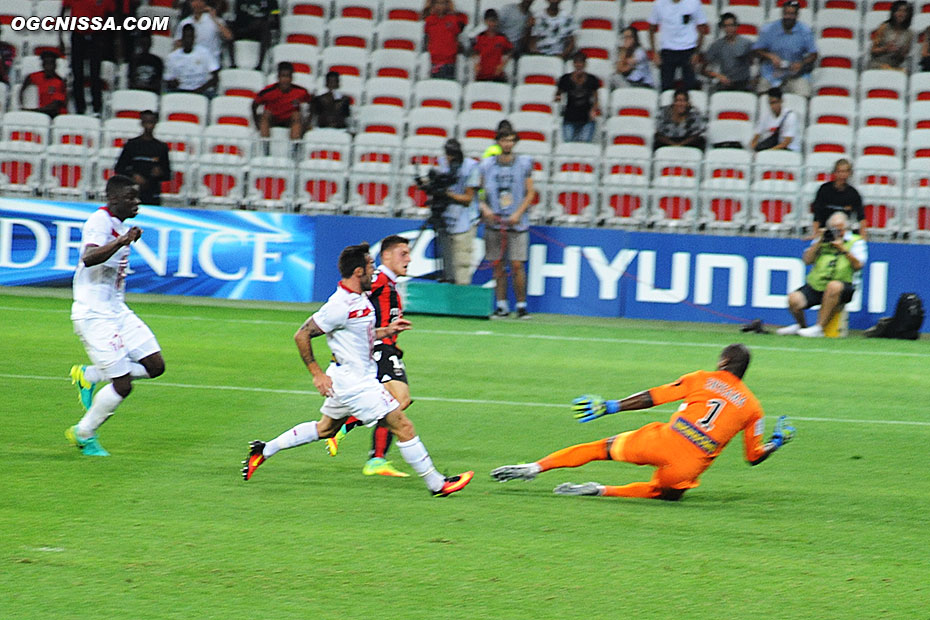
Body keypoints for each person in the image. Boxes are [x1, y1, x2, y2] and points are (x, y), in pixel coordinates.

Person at [241, 242, 474, 498]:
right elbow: (302, 334)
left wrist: (385, 331)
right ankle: (437, 484)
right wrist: (317, 374)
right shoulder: (339, 305)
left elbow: (357, 333)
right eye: (371, 266)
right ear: (358, 272)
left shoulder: (359, 298)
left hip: (347, 379)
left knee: (326, 429)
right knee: (402, 425)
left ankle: (264, 450)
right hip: (356, 384)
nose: (375, 271)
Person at [491, 344, 795, 501]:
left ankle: (535, 468)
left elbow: (654, 397)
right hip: (689, 464)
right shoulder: (754, 408)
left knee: (601, 448)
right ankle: (600, 490)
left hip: (662, 440)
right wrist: (776, 442)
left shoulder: (702, 378)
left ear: (723, 363)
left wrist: (612, 406)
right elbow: (754, 457)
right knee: (663, 494)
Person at [66, 175, 167, 457]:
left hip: (117, 310)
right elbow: (88, 258)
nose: (137, 202)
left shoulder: (118, 224)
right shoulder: (99, 222)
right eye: (131, 198)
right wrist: (123, 241)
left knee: (155, 366)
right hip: (93, 314)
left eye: (137, 197)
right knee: (122, 384)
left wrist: (124, 236)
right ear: (113, 199)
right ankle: (84, 433)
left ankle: (90, 374)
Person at [324, 236, 415, 478]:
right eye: (402, 253)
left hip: (388, 348)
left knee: (399, 400)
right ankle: (373, 456)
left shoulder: (390, 284)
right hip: (378, 348)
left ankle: (350, 435)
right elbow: (351, 296)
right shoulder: (378, 279)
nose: (409, 259)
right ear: (386, 256)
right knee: (396, 401)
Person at [775, 212, 866, 338]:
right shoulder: (823, 239)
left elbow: (858, 266)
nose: (836, 232)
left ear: (846, 228)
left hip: (843, 286)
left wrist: (843, 249)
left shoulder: (855, 241)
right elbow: (807, 260)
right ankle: (802, 327)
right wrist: (818, 241)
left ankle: (819, 328)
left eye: (839, 229)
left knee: (833, 286)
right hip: (817, 285)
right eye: (833, 229)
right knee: (793, 299)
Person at [479, 130, 536, 319]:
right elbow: (477, 192)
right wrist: (484, 208)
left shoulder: (523, 164)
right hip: (494, 222)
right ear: (498, 142)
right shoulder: (487, 165)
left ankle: (521, 305)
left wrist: (518, 213)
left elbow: (530, 192)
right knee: (497, 265)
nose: (508, 144)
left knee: (517, 264)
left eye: (511, 141)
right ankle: (502, 305)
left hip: (517, 223)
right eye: (504, 140)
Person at [437, 138, 481, 284]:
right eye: (447, 154)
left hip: (465, 221)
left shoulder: (471, 166)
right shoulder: (442, 164)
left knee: (461, 263)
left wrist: (447, 194)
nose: (449, 158)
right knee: (446, 265)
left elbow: (468, 198)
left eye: (452, 155)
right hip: (446, 218)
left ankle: (461, 301)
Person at [60, 0, 114, 116]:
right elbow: (63, 12)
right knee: (77, 73)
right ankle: (79, 108)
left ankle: (97, 108)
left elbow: (110, 16)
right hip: (78, 35)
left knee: (95, 73)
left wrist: (106, 39)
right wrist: (60, 36)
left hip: (96, 35)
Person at [752, 0, 817, 97]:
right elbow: (756, 51)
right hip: (771, 73)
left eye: (792, 14)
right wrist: (770, 56)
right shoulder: (769, 29)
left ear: (797, 15)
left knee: (804, 93)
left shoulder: (805, 31)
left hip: (795, 74)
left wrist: (801, 63)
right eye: (786, 13)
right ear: (782, 13)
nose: (788, 17)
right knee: (763, 93)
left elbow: (814, 54)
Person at [648, 0, 708, 92]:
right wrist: (654, 53)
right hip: (667, 50)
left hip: (688, 49)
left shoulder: (694, 2)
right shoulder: (659, 3)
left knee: (690, 86)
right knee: (666, 87)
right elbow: (651, 29)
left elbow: (702, 28)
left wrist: (696, 53)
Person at [114, 110, 172, 206]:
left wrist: (160, 172)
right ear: (141, 123)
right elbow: (119, 168)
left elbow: (167, 174)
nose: (148, 126)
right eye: (146, 122)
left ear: (155, 123)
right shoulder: (131, 145)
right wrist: (133, 176)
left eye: (151, 122)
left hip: (152, 191)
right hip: (132, 191)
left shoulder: (161, 147)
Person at [809, 158, 866, 239]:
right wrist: (816, 234)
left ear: (850, 173)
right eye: (839, 171)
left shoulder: (853, 193)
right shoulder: (824, 190)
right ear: (834, 172)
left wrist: (863, 238)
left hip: (844, 231)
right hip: (824, 230)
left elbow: (861, 217)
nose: (842, 174)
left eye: (845, 171)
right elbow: (817, 213)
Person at [253, 62, 310, 141]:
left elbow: (312, 104)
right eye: (283, 76)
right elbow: (254, 105)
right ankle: (265, 146)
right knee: (266, 114)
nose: (285, 80)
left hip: (289, 120)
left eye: (288, 76)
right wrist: (256, 123)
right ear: (278, 77)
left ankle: (294, 148)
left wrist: (307, 124)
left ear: (292, 78)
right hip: (273, 119)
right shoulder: (268, 91)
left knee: (296, 115)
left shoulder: (300, 92)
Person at [555, 52, 601, 143]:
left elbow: (596, 97)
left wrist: (594, 109)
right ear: (573, 64)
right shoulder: (565, 79)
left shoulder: (592, 79)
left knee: (584, 146)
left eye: (581, 62)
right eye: (577, 62)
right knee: (568, 144)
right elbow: (558, 93)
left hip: (587, 119)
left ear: (585, 64)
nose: (579, 65)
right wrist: (558, 98)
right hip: (569, 118)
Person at [702, 12, 754, 92]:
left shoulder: (746, 43)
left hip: (744, 83)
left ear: (736, 26)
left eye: (731, 25)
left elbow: (753, 62)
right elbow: (704, 69)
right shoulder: (717, 45)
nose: (729, 28)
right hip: (725, 83)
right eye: (726, 26)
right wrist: (718, 76)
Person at [164, 23, 220, 95]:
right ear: (182, 38)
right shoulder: (172, 57)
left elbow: (215, 78)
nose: (188, 40)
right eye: (186, 37)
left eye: (190, 37)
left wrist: (199, 90)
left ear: (194, 38)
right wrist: (172, 83)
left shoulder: (205, 53)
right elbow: (167, 79)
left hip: (201, 91)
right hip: (180, 91)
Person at [174, 0, 233, 67]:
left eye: (200, 1)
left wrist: (214, 18)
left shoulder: (216, 21)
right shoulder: (184, 23)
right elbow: (178, 44)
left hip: (213, 62)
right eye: (193, 1)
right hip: (191, 63)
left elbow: (228, 36)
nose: (196, 4)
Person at [424, 0, 467, 80]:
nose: (440, 6)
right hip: (434, 60)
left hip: (449, 61)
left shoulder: (454, 20)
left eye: (443, 3)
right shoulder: (429, 20)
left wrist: (453, 11)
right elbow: (427, 39)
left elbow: (462, 27)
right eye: (437, 3)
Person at [231, 0, 278, 70]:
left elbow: (275, 16)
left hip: (260, 32)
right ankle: (232, 64)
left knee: (264, 26)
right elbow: (237, 16)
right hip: (244, 29)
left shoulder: (271, 1)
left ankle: (260, 65)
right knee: (228, 29)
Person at [18, 51, 68, 118]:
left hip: (56, 115)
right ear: (42, 65)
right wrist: (22, 104)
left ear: (55, 65)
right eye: (46, 64)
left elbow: (54, 107)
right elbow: (23, 87)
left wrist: (32, 111)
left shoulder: (59, 82)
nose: (48, 67)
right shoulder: (37, 76)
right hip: (40, 113)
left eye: (51, 64)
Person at [750, 87, 799, 153]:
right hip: (770, 148)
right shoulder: (765, 116)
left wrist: (768, 152)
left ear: (781, 101)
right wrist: (754, 148)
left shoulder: (790, 116)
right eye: (770, 103)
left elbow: (787, 141)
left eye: (775, 102)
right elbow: (756, 136)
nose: (773, 106)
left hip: (788, 150)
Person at [869, 1, 914, 71]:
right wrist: (885, 49)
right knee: (886, 69)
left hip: (894, 64)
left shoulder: (909, 34)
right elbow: (872, 51)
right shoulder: (884, 27)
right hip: (878, 63)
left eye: (904, 12)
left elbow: (902, 58)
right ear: (893, 12)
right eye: (899, 11)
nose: (901, 14)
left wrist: (900, 53)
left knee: (904, 72)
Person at [472, 9, 513, 82]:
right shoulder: (480, 37)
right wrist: (476, 64)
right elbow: (474, 52)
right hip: (482, 74)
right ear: (485, 21)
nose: (492, 24)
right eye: (489, 21)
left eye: (494, 21)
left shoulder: (502, 38)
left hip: (497, 75)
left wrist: (502, 65)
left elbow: (510, 50)